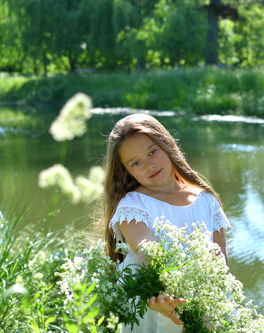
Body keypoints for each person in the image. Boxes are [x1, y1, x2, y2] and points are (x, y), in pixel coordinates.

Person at [98, 113, 230, 333]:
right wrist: (164, 293)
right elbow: (146, 250)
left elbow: (220, 258)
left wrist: (207, 301)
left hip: (202, 303)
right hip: (155, 305)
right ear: (127, 171)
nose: (149, 165)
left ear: (166, 144)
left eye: (152, 152)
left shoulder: (206, 200)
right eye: (136, 162)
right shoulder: (133, 206)